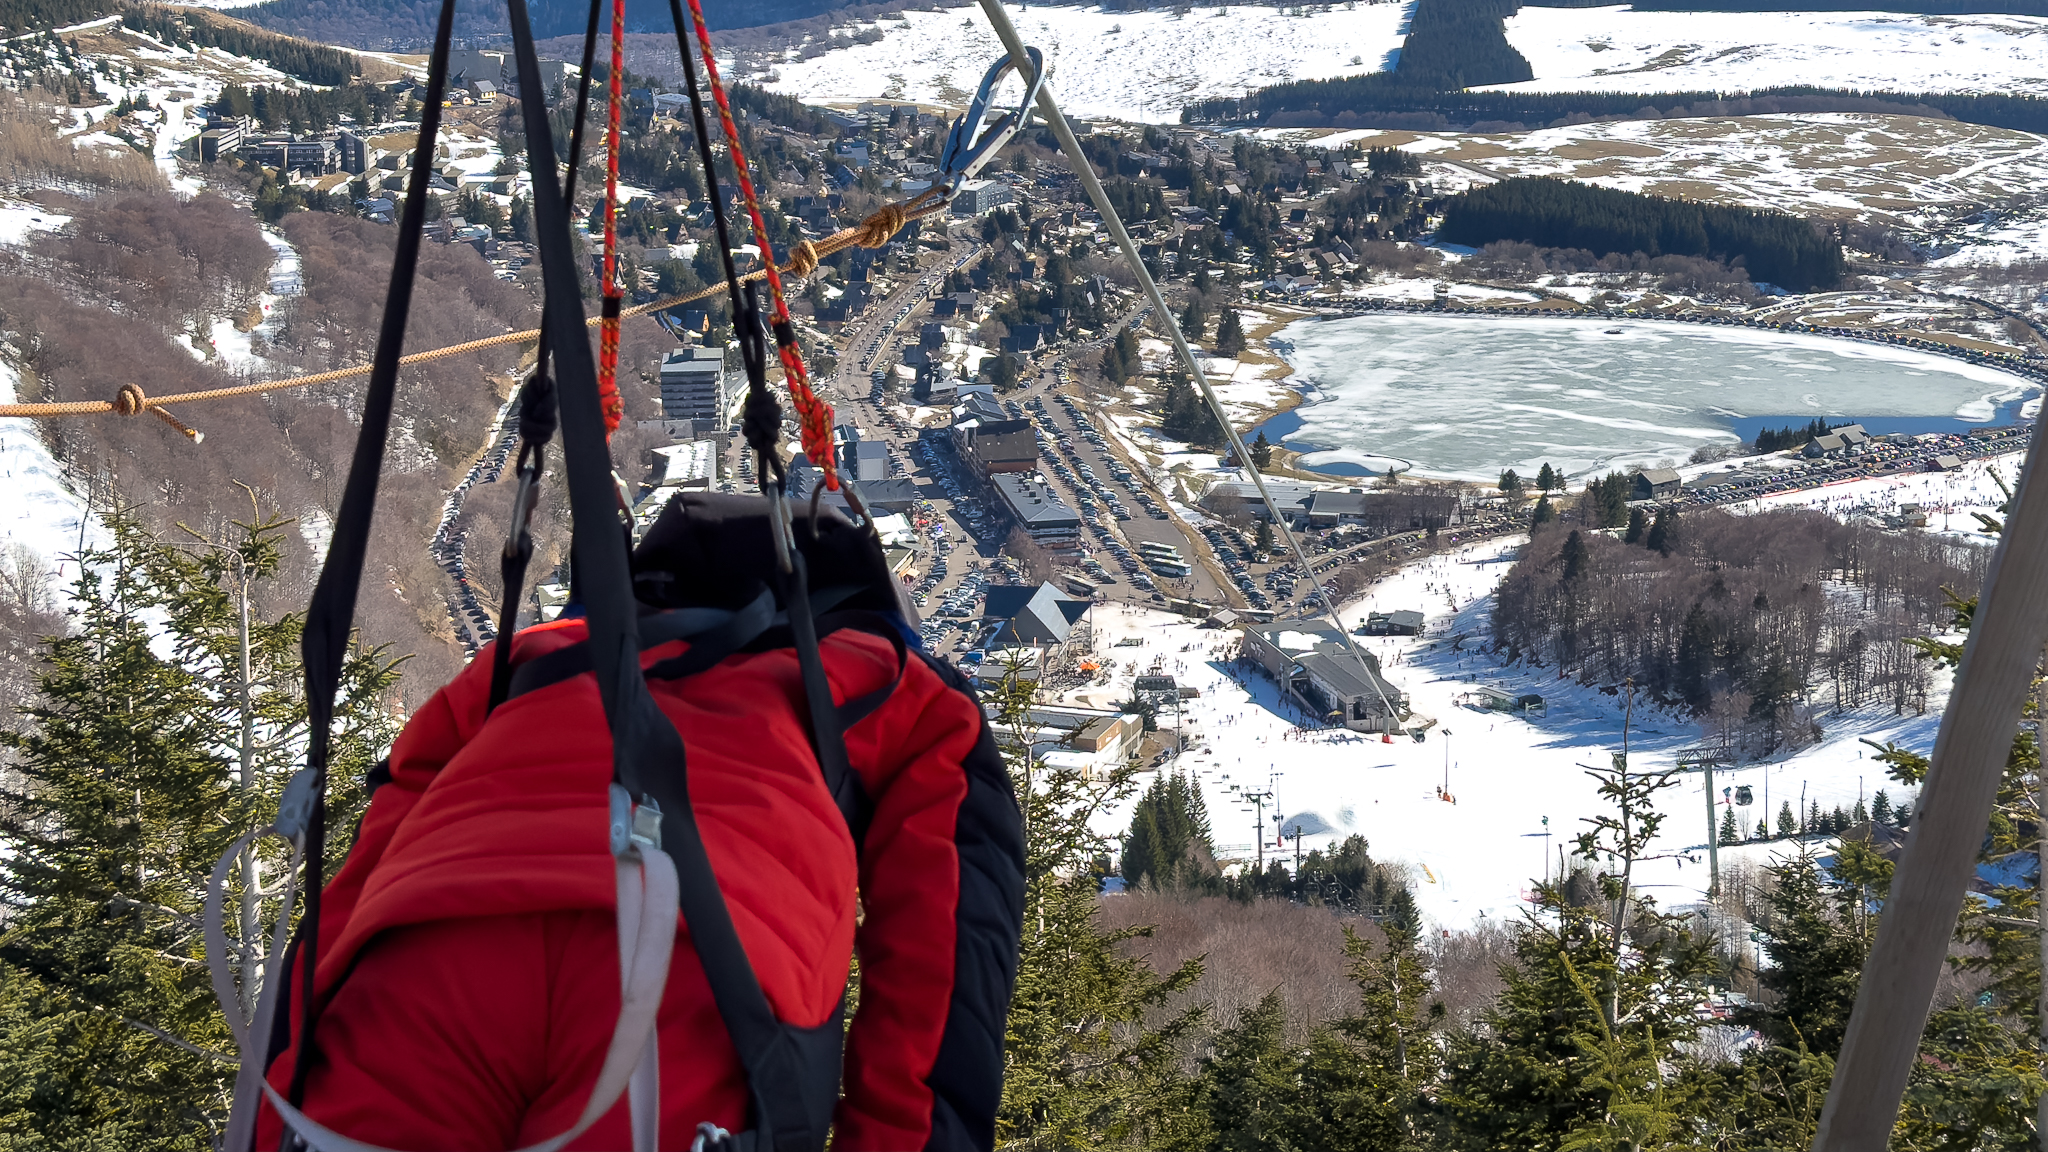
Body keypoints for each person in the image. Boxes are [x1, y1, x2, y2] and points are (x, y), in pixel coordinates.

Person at [255, 494, 1025, 1152]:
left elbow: (365, 866)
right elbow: (947, 939)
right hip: (689, 975)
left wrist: (286, 1089)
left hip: (428, 957)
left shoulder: (531, 658)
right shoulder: (895, 685)